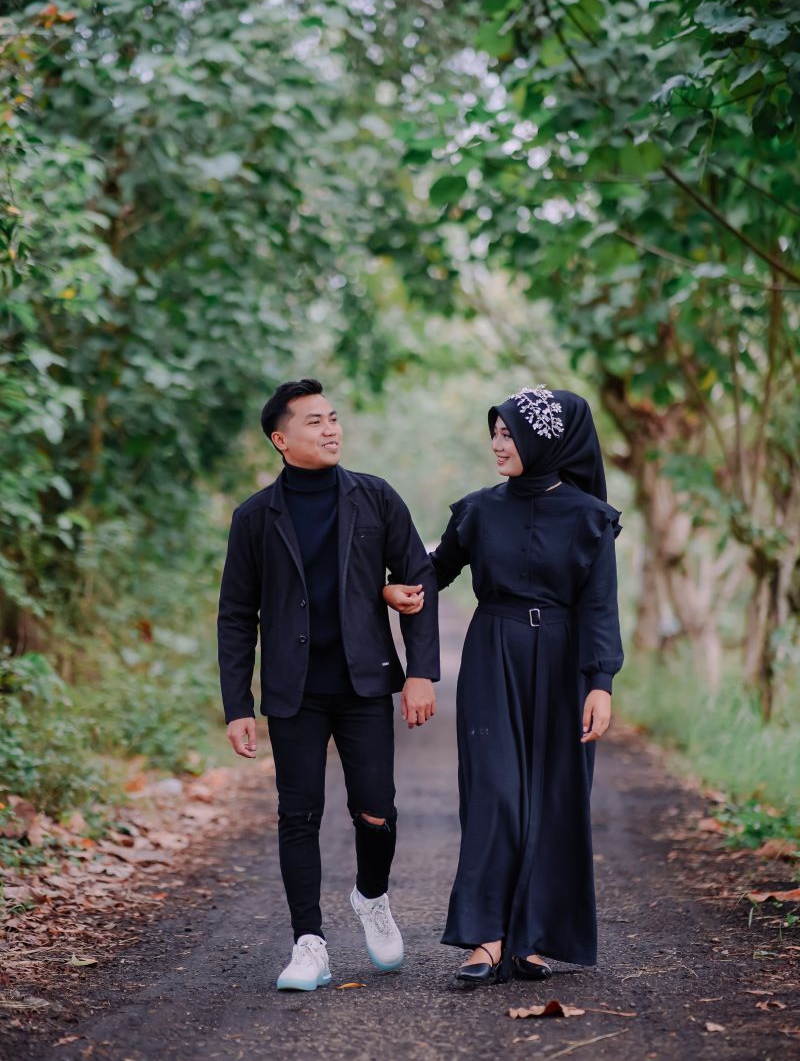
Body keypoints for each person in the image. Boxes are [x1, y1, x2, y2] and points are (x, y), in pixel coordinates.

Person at [384, 385, 623, 985]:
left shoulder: (590, 518)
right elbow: (432, 573)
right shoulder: (478, 510)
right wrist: (396, 588)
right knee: (495, 794)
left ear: (546, 442)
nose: (498, 444)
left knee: (554, 799)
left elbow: (600, 606)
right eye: (495, 432)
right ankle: (487, 939)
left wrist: (600, 683)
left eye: (510, 434)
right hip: (493, 655)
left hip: (566, 664)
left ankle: (532, 940)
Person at [217, 378, 439, 991]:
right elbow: (236, 614)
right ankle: (308, 943)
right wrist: (237, 704)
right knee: (298, 815)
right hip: (295, 691)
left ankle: (372, 896)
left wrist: (420, 672)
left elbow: (417, 578)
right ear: (281, 439)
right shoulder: (255, 517)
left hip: (363, 683)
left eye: (333, 417)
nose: (331, 429)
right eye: (314, 421)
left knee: (377, 811)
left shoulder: (375, 497)